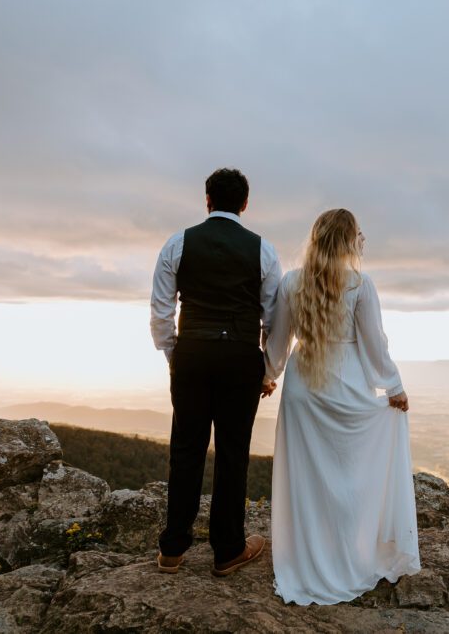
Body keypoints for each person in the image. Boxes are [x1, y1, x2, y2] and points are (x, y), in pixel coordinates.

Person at [264, 208, 421, 605]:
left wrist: (269, 374)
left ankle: (307, 559)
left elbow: (278, 341)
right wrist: (394, 387)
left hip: (303, 391)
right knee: (351, 479)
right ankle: (347, 556)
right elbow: (374, 344)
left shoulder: (290, 283)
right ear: (351, 241)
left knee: (309, 482)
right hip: (347, 387)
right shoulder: (359, 285)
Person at [150, 168, 282, 577]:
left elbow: (161, 311)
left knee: (185, 449)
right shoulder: (264, 250)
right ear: (245, 203)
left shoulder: (178, 243)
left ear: (207, 199)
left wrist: (175, 354)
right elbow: (274, 317)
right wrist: (267, 368)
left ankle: (173, 550)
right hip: (241, 357)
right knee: (232, 454)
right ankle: (227, 551)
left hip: (192, 353)